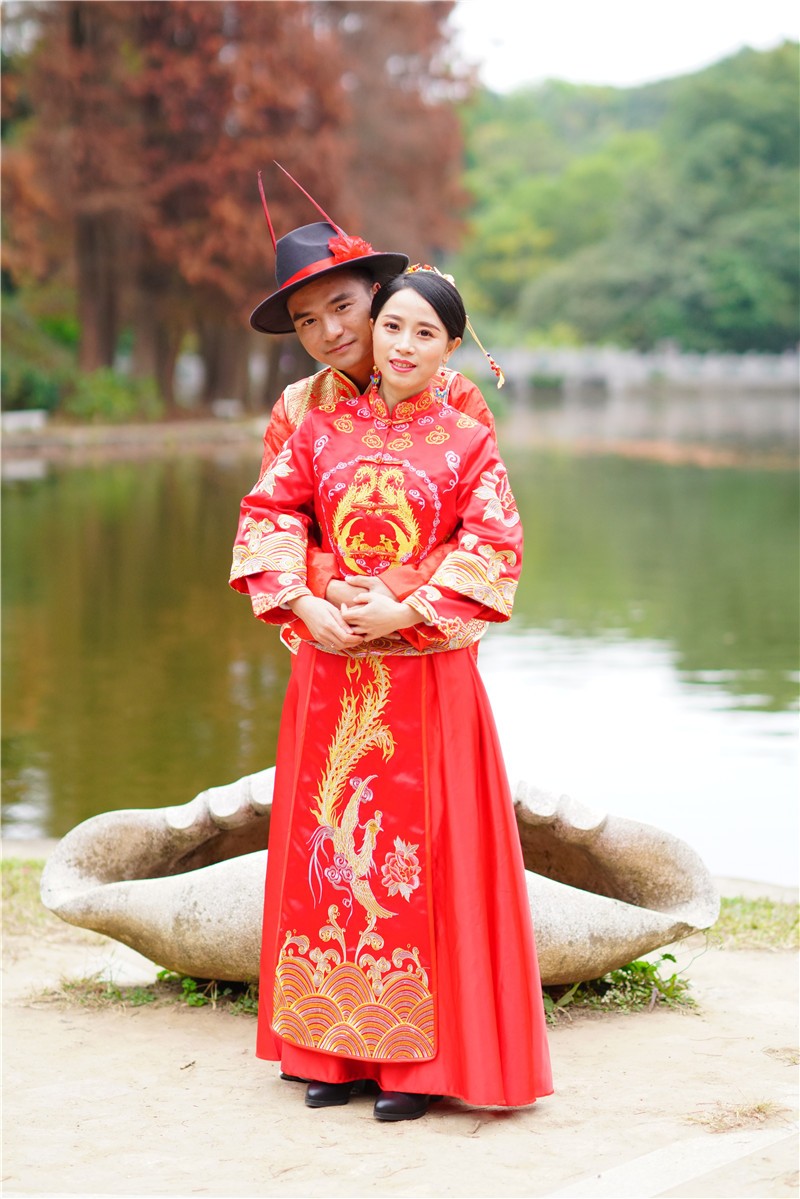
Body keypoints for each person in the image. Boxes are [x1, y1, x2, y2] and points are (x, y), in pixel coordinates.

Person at [230, 266, 553, 1121]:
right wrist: (305, 599)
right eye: (393, 328)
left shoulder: (466, 429)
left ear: (452, 346)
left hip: (425, 670)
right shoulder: (312, 421)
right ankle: (332, 1050)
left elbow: (491, 544)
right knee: (329, 852)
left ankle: (419, 1065)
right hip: (332, 666)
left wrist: (404, 605)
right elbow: (270, 515)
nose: (398, 343)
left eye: (423, 332)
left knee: (425, 857)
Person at [247, 174, 496, 624]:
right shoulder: (297, 408)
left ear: (377, 297)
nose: (331, 332)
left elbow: (480, 529)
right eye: (308, 322)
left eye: (342, 307)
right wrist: (325, 587)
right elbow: (275, 519)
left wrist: (398, 592)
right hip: (329, 624)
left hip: (420, 625)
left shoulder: (456, 399)